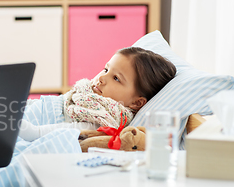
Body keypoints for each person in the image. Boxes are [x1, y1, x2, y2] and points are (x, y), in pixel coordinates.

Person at [18, 47, 177, 141]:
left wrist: (9, 119)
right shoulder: (83, 95)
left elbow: (35, 133)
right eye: (106, 69)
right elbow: (46, 104)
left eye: (116, 78)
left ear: (136, 103)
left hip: (20, 127)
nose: (101, 78)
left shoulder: (102, 119)